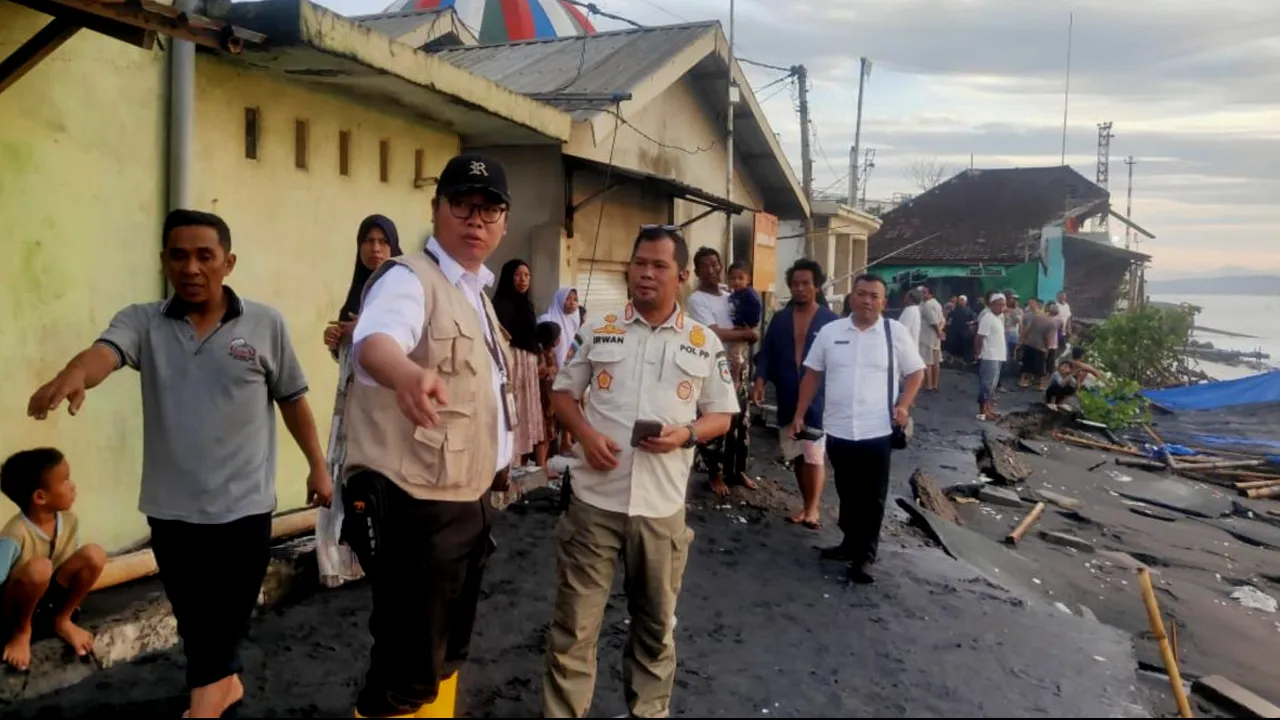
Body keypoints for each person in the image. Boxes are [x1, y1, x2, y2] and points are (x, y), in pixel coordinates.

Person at [26, 208, 332, 718]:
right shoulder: (142, 322)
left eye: (204, 256)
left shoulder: (264, 324)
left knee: (226, 621)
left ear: (227, 262)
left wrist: (317, 466)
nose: (191, 267)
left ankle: (205, 706)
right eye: (178, 256)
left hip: (244, 508)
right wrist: (74, 373)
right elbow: (105, 353)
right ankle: (220, 692)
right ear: (165, 261)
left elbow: (293, 399)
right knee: (195, 621)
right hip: (172, 511)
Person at [339, 153, 516, 719]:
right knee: (403, 670)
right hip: (417, 506)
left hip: (467, 499)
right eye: (462, 205)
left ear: (504, 223)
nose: (476, 220)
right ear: (436, 209)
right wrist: (407, 373)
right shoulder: (409, 279)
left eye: (490, 210)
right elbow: (376, 342)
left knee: (442, 658)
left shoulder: (477, 294)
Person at [542, 226, 738, 718]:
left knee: (654, 631)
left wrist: (686, 435)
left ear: (683, 276)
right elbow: (563, 395)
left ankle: (648, 712)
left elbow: (722, 414)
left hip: (661, 510)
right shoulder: (598, 328)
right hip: (594, 505)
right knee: (574, 630)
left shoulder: (703, 341)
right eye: (639, 263)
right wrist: (586, 437)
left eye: (659, 266)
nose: (646, 274)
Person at [791, 275, 924, 584]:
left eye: (874, 296)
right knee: (847, 490)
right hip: (838, 427)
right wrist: (799, 413)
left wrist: (903, 406)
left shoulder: (895, 333)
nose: (867, 300)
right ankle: (849, 542)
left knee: (872, 495)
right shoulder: (830, 332)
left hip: (877, 428)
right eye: (862, 294)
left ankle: (865, 556)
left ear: (883, 302)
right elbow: (812, 374)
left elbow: (916, 372)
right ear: (851, 298)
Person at [319, 214, 403, 590]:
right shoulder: (358, 293)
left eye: (383, 241)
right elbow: (349, 360)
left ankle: (383, 553)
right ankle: (342, 559)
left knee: (381, 476)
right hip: (350, 402)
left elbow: (407, 347)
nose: (375, 249)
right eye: (368, 241)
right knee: (343, 474)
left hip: (386, 407)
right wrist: (337, 340)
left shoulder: (403, 293)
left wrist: (366, 328)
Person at [0, 448, 106, 671]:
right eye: (65, 480)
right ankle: (22, 633)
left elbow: (71, 568)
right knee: (40, 568)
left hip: (48, 601)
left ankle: (63, 619)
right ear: (40, 497)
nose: (72, 485)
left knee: (94, 554)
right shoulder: (15, 533)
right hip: (17, 608)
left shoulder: (69, 521)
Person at [752, 258, 838, 529]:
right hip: (788, 393)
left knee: (813, 452)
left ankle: (813, 509)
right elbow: (766, 354)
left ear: (816, 287)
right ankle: (806, 504)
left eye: (806, 284)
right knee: (797, 453)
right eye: (796, 284)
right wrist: (760, 381)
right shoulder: (780, 319)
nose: (800, 288)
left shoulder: (830, 321)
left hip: (819, 397)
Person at [687, 246, 759, 496]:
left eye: (715, 264)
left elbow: (748, 315)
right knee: (716, 417)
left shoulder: (729, 292)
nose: (712, 270)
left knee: (741, 420)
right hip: (715, 366)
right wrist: (747, 334)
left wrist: (749, 332)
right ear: (696, 271)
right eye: (705, 266)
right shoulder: (697, 299)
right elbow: (713, 332)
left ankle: (736, 470)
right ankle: (714, 473)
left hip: (739, 362)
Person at [493, 258, 546, 470]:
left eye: (527, 275)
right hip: (512, 365)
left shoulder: (527, 305)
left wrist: (540, 356)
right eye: (517, 275)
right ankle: (507, 466)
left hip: (529, 367)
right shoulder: (500, 306)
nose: (523, 280)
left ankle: (521, 466)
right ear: (508, 277)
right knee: (512, 413)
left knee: (526, 414)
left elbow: (533, 337)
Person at [725, 259, 763, 386]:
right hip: (740, 327)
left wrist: (748, 325)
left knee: (734, 354)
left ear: (748, 279)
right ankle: (742, 366)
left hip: (744, 328)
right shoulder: (735, 293)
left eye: (740, 278)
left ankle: (735, 380)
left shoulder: (749, 294)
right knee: (738, 352)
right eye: (733, 278)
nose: (736, 282)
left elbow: (756, 308)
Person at [535, 321, 564, 477]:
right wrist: (549, 370)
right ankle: (541, 467)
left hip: (550, 398)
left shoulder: (550, 353)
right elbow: (539, 371)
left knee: (549, 432)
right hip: (542, 397)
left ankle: (543, 464)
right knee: (543, 434)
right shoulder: (540, 354)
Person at [975, 292, 1008, 421]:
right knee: (986, 385)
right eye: (999, 305)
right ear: (991, 305)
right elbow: (979, 336)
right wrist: (977, 351)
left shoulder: (999, 318)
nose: (1002, 307)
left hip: (998, 355)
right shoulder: (987, 317)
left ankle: (988, 409)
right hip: (989, 355)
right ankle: (982, 411)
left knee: (992, 386)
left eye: (1003, 305)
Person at [1019, 299, 1055, 390]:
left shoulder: (1036, 317)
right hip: (1041, 347)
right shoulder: (1052, 323)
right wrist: (1047, 349)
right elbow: (1048, 338)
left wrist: (1021, 341)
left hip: (1029, 343)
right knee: (1041, 367)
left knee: (1026, 364)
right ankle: (1042, 385)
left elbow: (1026, 330)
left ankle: (1024, 381)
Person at [918, 286, 945, 390]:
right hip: (935, 338)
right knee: (935, 362)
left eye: (925, 292)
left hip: (927, 337)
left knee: (928, 362)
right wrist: (940, 332)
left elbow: (933, 322)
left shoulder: (927, 305)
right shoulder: (937, 304)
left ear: (931, 294)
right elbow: (942, 320)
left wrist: (939, 332)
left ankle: (928, 385)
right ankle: (935, 384)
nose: (922, 295)